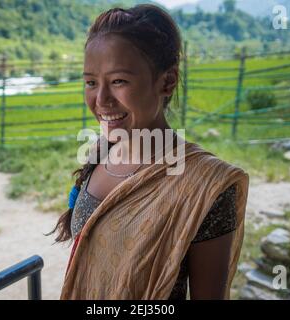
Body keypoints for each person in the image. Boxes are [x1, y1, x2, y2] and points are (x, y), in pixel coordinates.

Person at [49, 4, 249, 300]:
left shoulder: (205, 187)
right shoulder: (100, 153)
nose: (100, 99)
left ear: (167, 81)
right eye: (91, 82)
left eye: (118, 81)